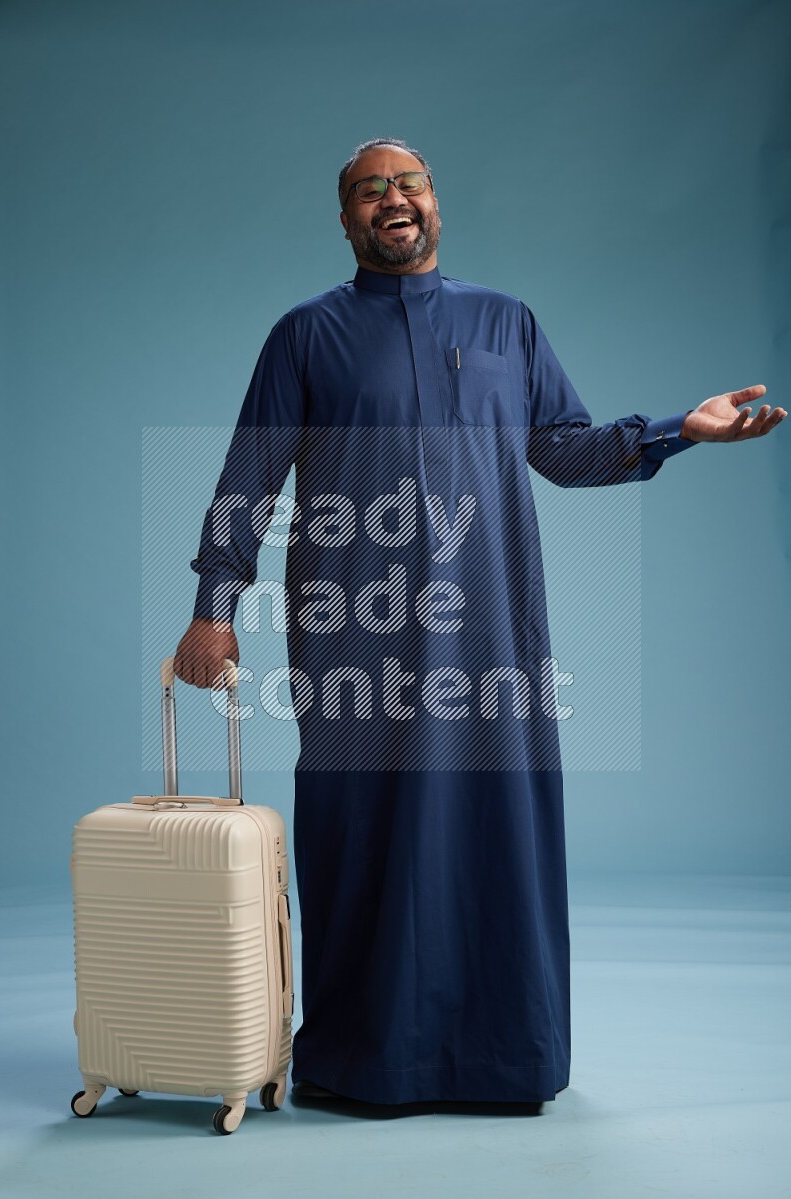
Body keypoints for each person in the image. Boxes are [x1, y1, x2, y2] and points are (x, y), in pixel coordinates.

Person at [173, 138, 786, 1110]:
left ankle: (505, 1057)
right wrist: (212, 610)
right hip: (354, 636)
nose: (391, 198)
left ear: (434, 203)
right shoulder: (305, 337)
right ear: (344, 219)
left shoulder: (505, 323)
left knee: (493, 833)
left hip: (488, 638)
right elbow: (246, 481)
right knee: (358, 828)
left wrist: (681, 426)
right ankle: (361, 1058)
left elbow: (566, 447)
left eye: (407, 182)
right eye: (368, 189)